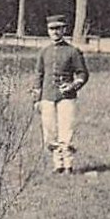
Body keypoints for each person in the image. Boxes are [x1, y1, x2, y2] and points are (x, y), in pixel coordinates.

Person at [34, 13, 89, 173]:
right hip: (47, 97)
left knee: (66, 130)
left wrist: (73, 86)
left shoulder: (73, 52)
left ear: (64, 30)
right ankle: (57, 164)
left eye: (58, 29)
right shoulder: (44, 52)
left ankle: (68, 165)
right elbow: (39, 75)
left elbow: (82, 73)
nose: (55, 32)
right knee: (49, 132)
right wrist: (37, 98)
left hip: (66, 97)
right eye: (52, 29)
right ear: (48, 31)